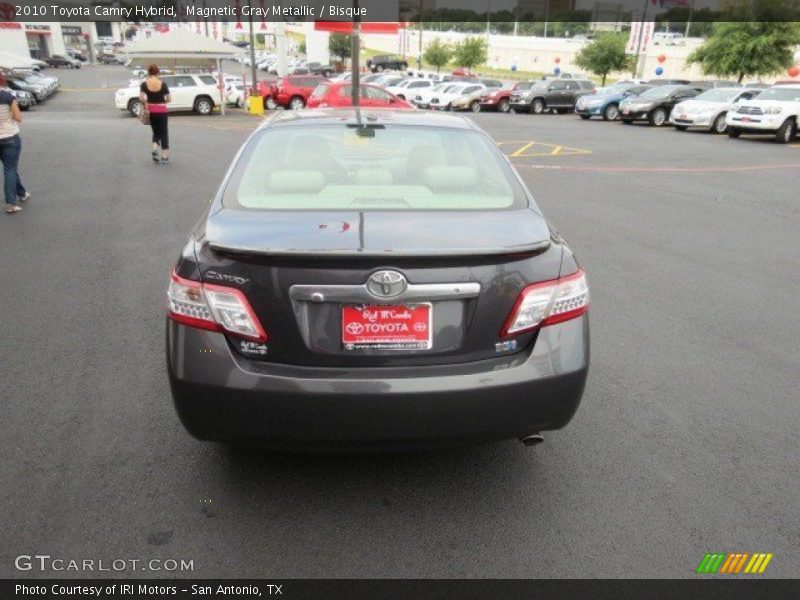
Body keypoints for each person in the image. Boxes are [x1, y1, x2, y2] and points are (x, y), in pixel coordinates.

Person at [0, 72, 30, 214]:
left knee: (9, 168)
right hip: (9, 136)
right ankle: (11, 204)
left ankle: (22, 193)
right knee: (10, 169)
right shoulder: (7, 97)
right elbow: (18, 118)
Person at [140, 64, 171, 164]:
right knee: (164, 133)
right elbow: (169, 99)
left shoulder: (144, 84)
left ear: (149, 72)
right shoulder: (163, 84)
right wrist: (163, 102)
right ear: (158, 72)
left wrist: (146, 103)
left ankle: (154, 148)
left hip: (151, 110)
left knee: (156, 132)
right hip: (162, 110)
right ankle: (164, 157)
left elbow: (141, 98)